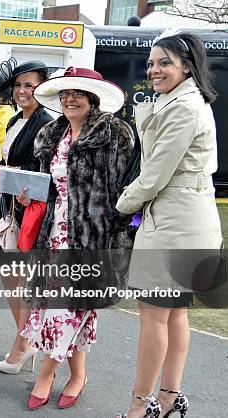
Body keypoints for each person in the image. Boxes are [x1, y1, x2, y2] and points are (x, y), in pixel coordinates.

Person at [116, 32, 221, 418]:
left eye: (164, 63)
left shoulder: (182, 108)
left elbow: (156, 172)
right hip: (186, 221)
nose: (153, 70)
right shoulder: (181, 102)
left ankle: (140, 407)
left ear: (187, 66)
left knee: (154, 317)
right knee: (174, 314)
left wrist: (121, 203)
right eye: (151, 63)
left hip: (176, 222)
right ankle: (168, 397)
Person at [21, 67, 133, 410]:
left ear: (92, 98)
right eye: (65, 94)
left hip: (92, 236)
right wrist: (28, 195)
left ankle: (46, 373)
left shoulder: (115, 133)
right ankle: (79, 375)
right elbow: (48, 184)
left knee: (65, 307)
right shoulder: (51, 133)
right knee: (68, 306)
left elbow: (127, 188)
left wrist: (116, 236)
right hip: (54, 231)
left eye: (78, 93)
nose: (70, 99)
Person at [0, 59, 55, 374]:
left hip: (29, 211)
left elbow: (46, 171)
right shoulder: (16, 120)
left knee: (22, 281)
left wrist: (10, 172)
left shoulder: (47, 123)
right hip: (7, 208)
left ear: (42, 87)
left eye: (29, 85)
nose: (22, 91)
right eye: (18, 85)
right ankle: (27, 338)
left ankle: (22, 343)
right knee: (8, 279)